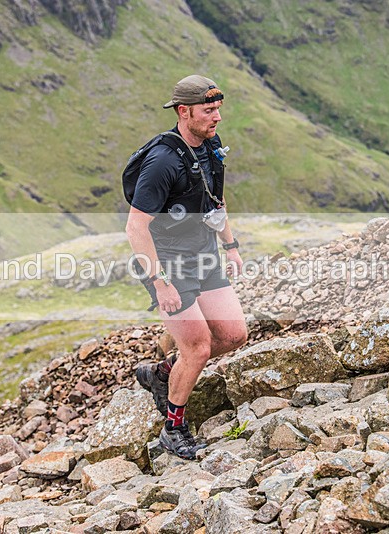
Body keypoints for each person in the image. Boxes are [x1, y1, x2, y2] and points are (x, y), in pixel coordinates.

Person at [125, 75, 248, 459]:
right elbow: (135, 227)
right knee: (197, 347)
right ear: (184, 112)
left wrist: (230, 245)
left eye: (218, 110)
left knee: (233, 335)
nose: (217, 118)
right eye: (209, 111)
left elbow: (216, 200)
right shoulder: (162, 162)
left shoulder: (210, 147)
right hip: (167, 263)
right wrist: (159, 281)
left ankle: (161, 375)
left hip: (204, 253)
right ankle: (173, 429)